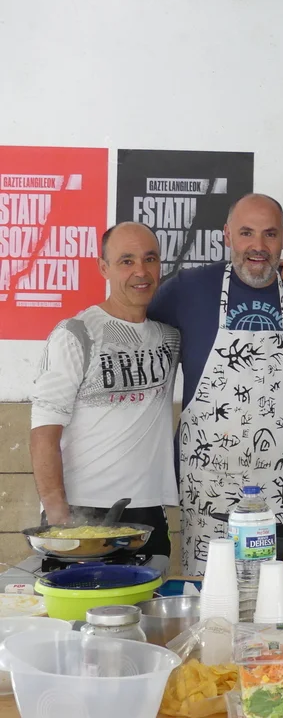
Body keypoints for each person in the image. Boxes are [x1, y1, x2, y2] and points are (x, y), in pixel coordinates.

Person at [148, 193, 283, 575]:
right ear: (227, 235)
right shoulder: (187, 290)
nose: (258, 246)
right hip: (213, 493)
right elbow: (136, 330)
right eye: (246, 233)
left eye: (269, 234)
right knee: (217, 599)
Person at [30, 222, 179, 561]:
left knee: (149, 595)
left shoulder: (169, 336)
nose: (140, 271)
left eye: (150, 259)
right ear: (103, 267)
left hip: (148, 514)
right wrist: (60, 522)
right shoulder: (77, 334)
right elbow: (43, 435)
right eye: (126, 261)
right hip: (82, 513)